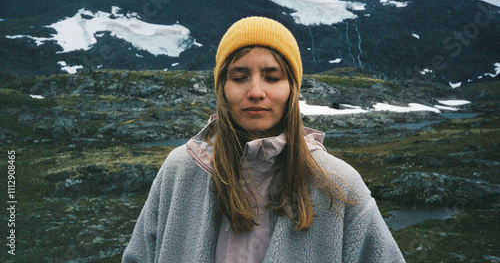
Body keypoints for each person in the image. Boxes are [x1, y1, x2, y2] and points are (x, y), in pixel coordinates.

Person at [122, 16, 405, 262]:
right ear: (222, 88)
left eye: (272, 77)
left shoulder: (339, 184)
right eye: (239, 76)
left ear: (292, 89)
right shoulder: (180, 171)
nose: (256, 91)